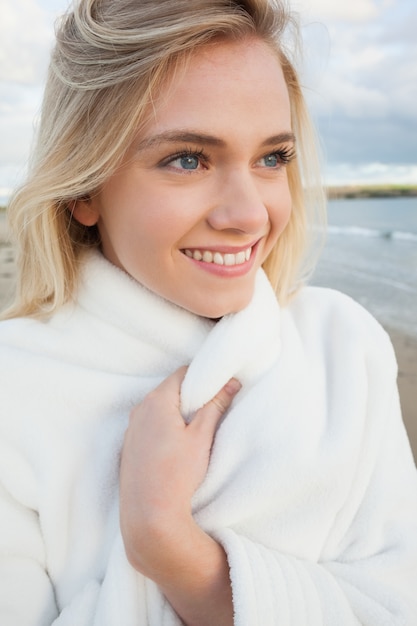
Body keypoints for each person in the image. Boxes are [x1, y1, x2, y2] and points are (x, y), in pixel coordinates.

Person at [1, 0, 416, 624]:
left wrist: (170, 546)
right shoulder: (14, 388)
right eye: (188, 159)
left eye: (272, 158)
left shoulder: (342, 345)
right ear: (84, 188)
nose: (248, 215)